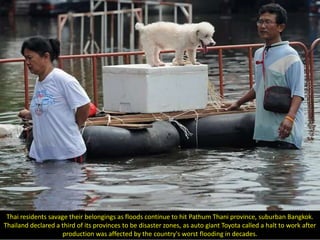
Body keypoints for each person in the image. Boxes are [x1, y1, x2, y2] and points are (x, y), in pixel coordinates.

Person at [226, 3, 305, 149]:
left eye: (268, 22)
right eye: (260, 21)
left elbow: (298, 92)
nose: (263, 26)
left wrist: (289, 118)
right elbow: (259, 86)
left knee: (286, 169)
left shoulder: (290, 56)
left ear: (280, 27)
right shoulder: (259, 53)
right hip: (264, 131)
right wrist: (238, 102)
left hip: (285, 132)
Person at [18, 36, 91, 162]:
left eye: (30, 58)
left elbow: (84, 105)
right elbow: (49, 109)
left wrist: (75, 125)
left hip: (66, 154)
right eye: (25, 58)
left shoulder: (62, 79)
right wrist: (30, 114)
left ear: (46, 57)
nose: (27, 63)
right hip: (42, 155)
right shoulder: (39, 82)